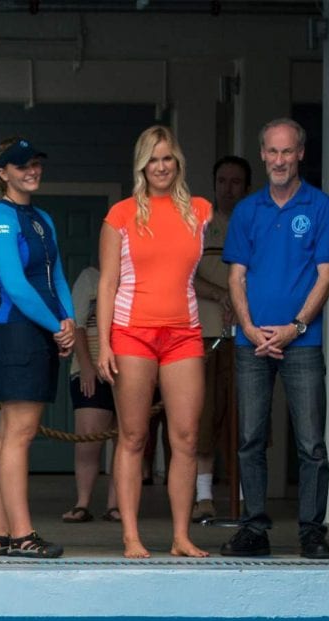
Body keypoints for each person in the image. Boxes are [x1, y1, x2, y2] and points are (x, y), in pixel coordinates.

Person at [220, 118, 329, 559]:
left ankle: (312, 532)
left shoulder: (322, 207)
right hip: (251, 343)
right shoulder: (247, 211)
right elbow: (235, 276)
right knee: (250, 439)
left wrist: (295, 327)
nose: (279, 160)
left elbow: (327, 277)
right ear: (263, 155)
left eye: (287, 152)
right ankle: (254, 529)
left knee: (311, 442)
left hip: (302, 343)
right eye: (271, 152)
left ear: (301, 154)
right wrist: (250, 327)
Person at [96, 125, 212, 559]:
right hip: (132, 333)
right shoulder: (122, 214)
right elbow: (107, 283)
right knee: (133, 436)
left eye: (167, 158)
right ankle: (131, 535)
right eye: (152, 159)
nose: (160, 167)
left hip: (184, 333)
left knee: (185, 437)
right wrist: (104, 344)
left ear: (177, 163)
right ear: (141, 165)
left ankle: (181, 536)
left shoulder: (200, 211)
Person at [0, 136, 72, 559]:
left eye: (35, 163)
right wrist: (56, 325)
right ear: (2, 173)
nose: (30, 171)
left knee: (9, 434)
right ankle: (21, 534)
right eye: (20, 166)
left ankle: (1, 534)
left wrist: (68, 323)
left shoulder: (43, 218)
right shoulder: (0, 217)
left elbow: (59, 278)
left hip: (44, 330)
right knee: (20, 434)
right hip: (17, 330)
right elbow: (15, 285)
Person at [193, 155, 251, 521]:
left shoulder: (255, 222)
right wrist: (221, 295)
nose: (228, 188)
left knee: (246, 419)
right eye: (222, 181)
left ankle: (246, 500)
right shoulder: (199, 224)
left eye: (235, 182)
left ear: (246, 188)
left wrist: (242, 301)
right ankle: (203, 498)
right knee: (204, 418)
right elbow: (186, 275)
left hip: (247, 335)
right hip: (205, 335)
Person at [61, 261, 112, 523]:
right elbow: (77, 323)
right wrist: (88, 367)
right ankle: (82, 503)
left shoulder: (137, 275)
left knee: (129, 441)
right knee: (88, 442)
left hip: (129, 369)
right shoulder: (90, 277)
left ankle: (117, 506)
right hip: (90, 367)